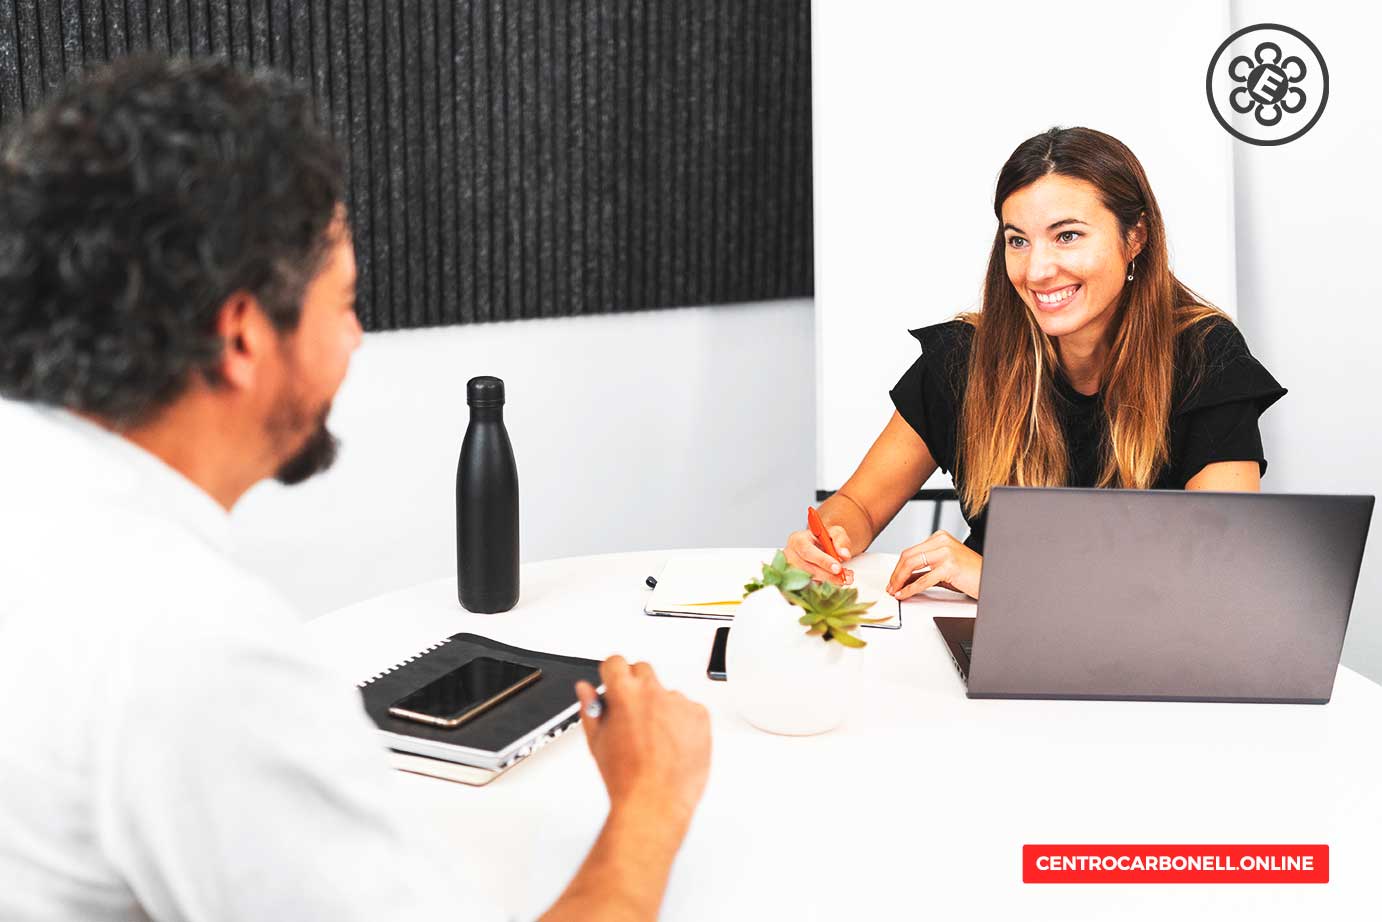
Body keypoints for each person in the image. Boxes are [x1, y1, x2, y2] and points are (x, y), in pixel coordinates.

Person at [0, 56, 709, 921]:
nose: (359, 338)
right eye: (345, 302)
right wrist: (651, 802)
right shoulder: (186, 646)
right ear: (243, 337)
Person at [786, 127, 1285, 600]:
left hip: (1144, 656)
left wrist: (1000, 580)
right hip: (987, 640)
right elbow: (858, 505)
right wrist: (829, 540)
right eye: (1018, 240)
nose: (1037, 271)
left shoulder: (1205, 356)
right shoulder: (966, 358)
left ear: (1135, 238)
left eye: (1067, 236)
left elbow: (1222, 570)